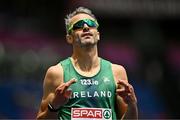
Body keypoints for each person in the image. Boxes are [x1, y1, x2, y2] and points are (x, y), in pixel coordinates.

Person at [36, 6, 138, 120]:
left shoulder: (117, 72)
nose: (85, 27)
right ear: (69, 38)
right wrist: (54, 105)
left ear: (98, 34)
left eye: (91, 24)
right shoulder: (56, 73)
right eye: (78, 26)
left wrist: (132, 105)